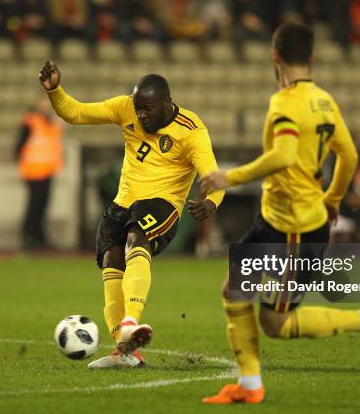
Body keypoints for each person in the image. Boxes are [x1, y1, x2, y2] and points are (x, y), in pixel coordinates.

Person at [199, 22, 360, 405]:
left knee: (276, 323)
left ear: (274, 56)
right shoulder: (324, 100)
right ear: (313, 57)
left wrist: (230, 177)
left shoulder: (285, 102)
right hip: (274, 219)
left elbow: (285, 155)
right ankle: (250, 386)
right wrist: (334, 197)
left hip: (295, 231)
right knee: (233, 290)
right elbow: (349, 155)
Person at [38, 60, 224, 368]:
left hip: (162, 205)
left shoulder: (192, 131)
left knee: (137, 238)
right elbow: (77, 112)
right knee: (111, 262)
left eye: (148, 109)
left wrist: (212, 201)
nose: (141, 115)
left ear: (167, 103)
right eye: (138, 109)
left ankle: (130, 323)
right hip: (123, 203)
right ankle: (125, 351)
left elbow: (213, 177)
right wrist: (55, 90)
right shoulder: (125, 108)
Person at [14, 97, 63, 251]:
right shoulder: (31, 121)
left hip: (48, 170)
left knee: (42, 205)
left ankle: (39, 237)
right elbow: (20, 145)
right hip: (33, 171)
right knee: (34, 206)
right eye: (44, 102)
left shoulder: (52, 122)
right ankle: (29, 237)